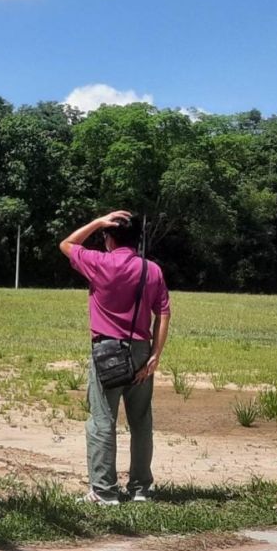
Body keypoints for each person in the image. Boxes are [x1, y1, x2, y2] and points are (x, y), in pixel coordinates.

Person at [59, 210, 171, 505]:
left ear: (109, 238)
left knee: (102, 421)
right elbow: (163, 314)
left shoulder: (100, 263)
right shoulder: (152, 270)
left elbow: (67, 245)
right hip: (141, 351)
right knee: (141, 421)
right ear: (137, 240)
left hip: (107, 351)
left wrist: (97, 221)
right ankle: (140, 489)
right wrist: (155, 355)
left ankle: (104, 490)